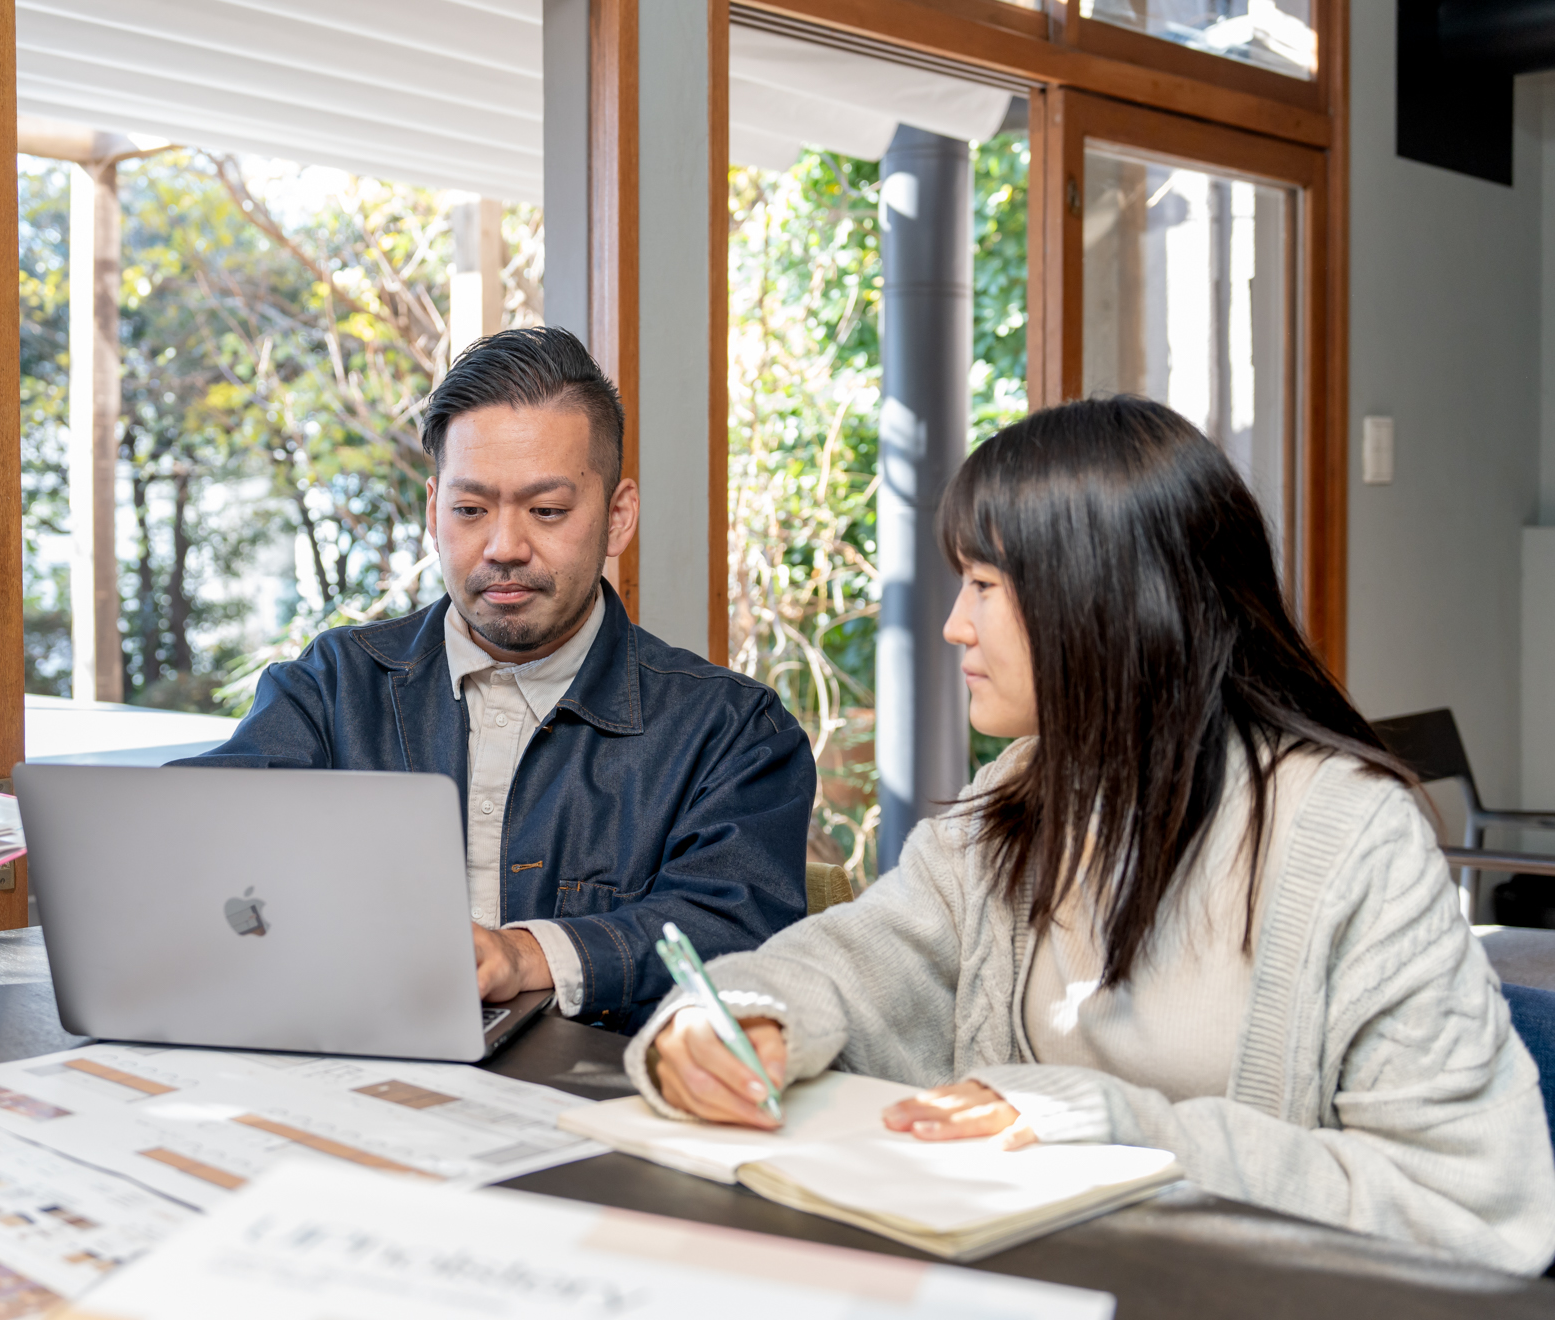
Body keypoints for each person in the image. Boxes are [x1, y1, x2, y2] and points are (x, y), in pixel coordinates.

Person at [629, 396, 1555, 1273]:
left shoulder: (1352, 839)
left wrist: (1106, 1124)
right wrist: (729, 1023)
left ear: (1105, 604)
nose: (954, 625)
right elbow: (849, 961)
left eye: (984, 585)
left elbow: (1473, 1209)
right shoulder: (1019, 793)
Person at [172, 327, 816, 1033]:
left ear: (618, 516)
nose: (504, 548)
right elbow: (198, 833)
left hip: (596, 1103)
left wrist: (523, 956)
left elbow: (733, 927)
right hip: (356, 1072)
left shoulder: (729, 731)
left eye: (547, 511)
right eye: (470, 510)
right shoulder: (334, 686)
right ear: (432, 512)